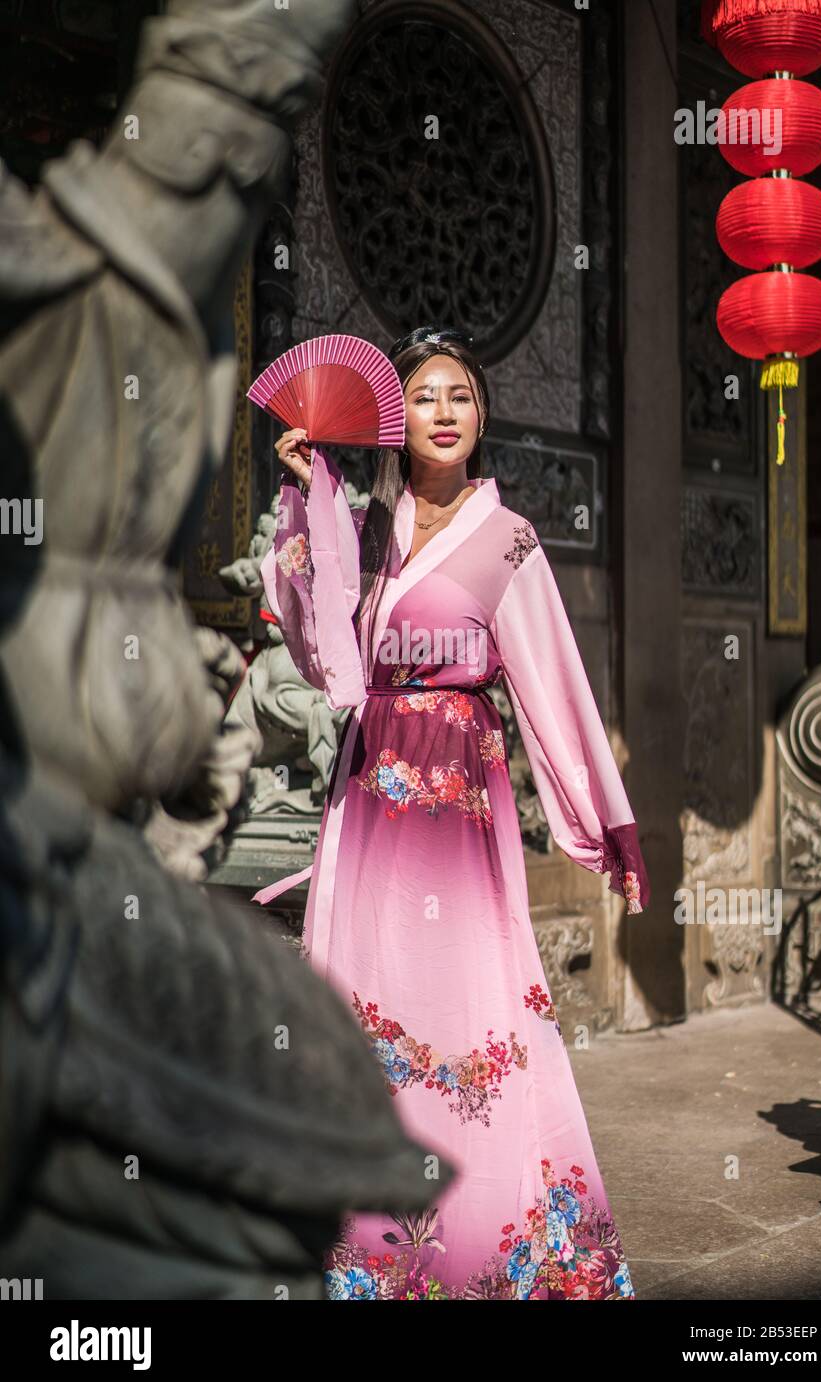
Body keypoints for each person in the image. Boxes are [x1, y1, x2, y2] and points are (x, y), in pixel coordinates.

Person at [253, 325, 651, 1300]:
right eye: (425, 396)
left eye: (460, 397)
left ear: (480, 422)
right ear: (398, 421)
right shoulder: (370, 528)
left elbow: (552, 680)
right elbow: (319, 646)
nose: (443, 411)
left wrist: (606, 819)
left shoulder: (505, 539)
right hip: (370, 799)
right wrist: (309, 495)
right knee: (369, 1003)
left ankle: (493, 1238)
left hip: (457, 798)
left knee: (470, 1006)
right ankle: (365, 1242)